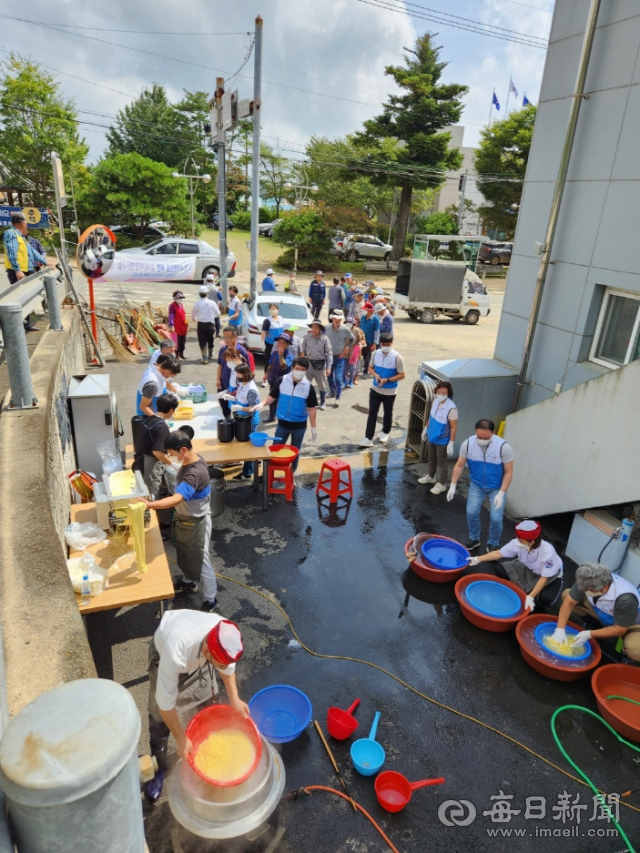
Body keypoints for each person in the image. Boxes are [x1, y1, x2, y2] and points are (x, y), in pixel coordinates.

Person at [144, 610, 247, 801]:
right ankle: (159, 767)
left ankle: (209, 754)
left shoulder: (224, 634)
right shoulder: (176, 650)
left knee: (210, 703)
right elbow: (165, 704)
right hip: (165, 654)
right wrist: (181, 740)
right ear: (208, 652)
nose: (223, 668)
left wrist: (234, 699)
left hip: (199, 657)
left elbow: (227, 668)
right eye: (220, 665)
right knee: (159, 720)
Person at [140, 431, 218, 610]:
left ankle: (211, 599)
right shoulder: (192, 459)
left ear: (183, 449)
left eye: (173, 453)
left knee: (200, 560)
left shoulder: (194, 474)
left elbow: (176, 498)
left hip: (197, 522)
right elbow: (178, 472)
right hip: (185, 518)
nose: (171, 457)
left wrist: (150, 505)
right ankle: (188, 581)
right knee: (184, 552)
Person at [465, 520, 564, 612]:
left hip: (548, 576)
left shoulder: (547, 552)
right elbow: (498, 554)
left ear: (532, 541)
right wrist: (477, 559)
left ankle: (534, 601)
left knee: (547, 598)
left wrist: (531, 596)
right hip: (527, 567)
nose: (518, 542)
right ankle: (518, 591)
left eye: (521, 541)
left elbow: (543, 578)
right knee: (500, 570)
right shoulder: (518, 543)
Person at [447, 419, 515, 553]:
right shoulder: (468, 444)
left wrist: (501, 493)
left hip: (497, 487)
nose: (482, 440)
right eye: (479, 437)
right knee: (471, 512)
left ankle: (494, 543)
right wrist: (453, 485)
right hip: (477, 485)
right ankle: (474, 538)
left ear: (493, 433)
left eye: (486, 437)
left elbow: (508, 472)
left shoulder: (503, 447)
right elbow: (460, 465)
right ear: (475, 432)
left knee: (496, 518)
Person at [553, 562, 640, 662]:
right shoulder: (588, 578)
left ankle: (628, 658)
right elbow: (569, 603)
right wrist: (560, 629)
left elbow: (620, 629)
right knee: (566, 594)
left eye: (589, 590)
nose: (585, 591)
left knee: (635, 649)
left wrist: (589, 634)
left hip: (630, 622)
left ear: (603, 589)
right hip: (605, 613)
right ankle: (595, 625)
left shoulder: (626, 599)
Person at [258, 357, 317, 471]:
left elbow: (312, 408)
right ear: (292, 368)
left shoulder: (308, 387)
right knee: (274, 451)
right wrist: (262, 403)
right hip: (282, 425)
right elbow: (272, 396)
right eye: (297, 368)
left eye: (303, 369)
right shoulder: (282, 380)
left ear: (306, 371)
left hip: (299, 426)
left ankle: (290, 476)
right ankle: (269, 475)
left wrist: (313, 428)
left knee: (295, 453)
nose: (299, 371)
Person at [359, 332, 406, 447]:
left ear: (391, 344)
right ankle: (368, 438)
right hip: (375, 389)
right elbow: (370, 368)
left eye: (388, 344)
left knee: (387, 413)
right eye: (383, 344)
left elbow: (402, 375)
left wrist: (388, 380)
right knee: (372, 413)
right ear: (380, 343)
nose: (385, 346)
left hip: (390, 391)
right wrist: (375, 375)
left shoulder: (397, 357)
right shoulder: (376, 354)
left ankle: (385, 432)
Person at [4, 211, 47, 332]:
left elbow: (32, 252)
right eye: (26, 223)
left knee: (28, 297)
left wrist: (44, 262)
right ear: (23, 224)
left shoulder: (20, 236)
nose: (26, 225)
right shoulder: (11, 233)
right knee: (21, 299)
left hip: (25, 271)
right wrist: (17, 270)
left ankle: (26, 324)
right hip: (18, 272)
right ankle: (19, 326)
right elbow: (12, 252)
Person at [133, 393, 180, 499]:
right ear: (171, 410)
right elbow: (157, 452)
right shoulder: (162, 427)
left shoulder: (150, 419)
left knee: (145, 490)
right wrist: (173, 464)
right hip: (150, 465)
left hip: (141, 460)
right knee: (151, 496)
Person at [418, 382, 458, 495]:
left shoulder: (451, 408)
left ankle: (442, 484)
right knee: (432, 458)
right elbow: (432, 417)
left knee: (442, 462)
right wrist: (426, 429)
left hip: (442, 439)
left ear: (448, 393)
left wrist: (451, 443)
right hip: (432, 435)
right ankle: (431, 476)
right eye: (439, 392)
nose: (440, 394)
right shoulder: (435, 401)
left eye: (443, 392)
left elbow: (454, 427)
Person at [229, 364, 262, 481]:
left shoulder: (251, 389)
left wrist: (240, 408)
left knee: (249, 448)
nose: (236, 376)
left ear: (244, 374)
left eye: (238, 373)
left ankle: (247, 473)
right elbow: (241, 398)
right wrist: (231, 398)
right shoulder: (243, 384)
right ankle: (254, 463)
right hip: (242, 419)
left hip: (249, 422)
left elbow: (254, 408)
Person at [217, 327, 250, 418]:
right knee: (225, 409)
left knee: (237, 412)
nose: (226, 340)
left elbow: (247, 370)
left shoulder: (242, 351)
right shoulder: (223, 350)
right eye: (224, 337)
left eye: (228, 337)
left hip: (236, 389)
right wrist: (218, 379)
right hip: (224, 384)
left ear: (235, 337)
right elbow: (220, 366)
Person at [301, 319, 332, 410]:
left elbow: (329, 353)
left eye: (316, 327)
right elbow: (302, 350)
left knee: (321, 385)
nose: (314, 329)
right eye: (313, 327)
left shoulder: (325, 339)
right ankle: (305, 402)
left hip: (320, 364)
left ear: (320, 329)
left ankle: (322, 402)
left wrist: (329, 368)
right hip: (308, 363)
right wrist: (302, 364)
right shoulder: (306, 337)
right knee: (305, 384)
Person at [325, 310, 354, 409]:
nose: (337, 321)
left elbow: (352, 338)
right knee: (329, 376)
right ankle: (332, 392)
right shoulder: (326, 328)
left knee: (338, 377)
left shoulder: (344, 329)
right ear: (332, 319)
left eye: (339, 319)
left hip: (339, 357)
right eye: (335, 319)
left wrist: (347, 347)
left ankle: (337, 398)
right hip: (328, 357)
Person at [265, 333, 294, 422]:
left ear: (288, 344)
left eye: (283, 343)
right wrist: (266, 374)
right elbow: (270, 364)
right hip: (273, 380)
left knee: (283, 401)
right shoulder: (274, 352)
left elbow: (284, 366)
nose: (280, 345)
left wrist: (281, 355)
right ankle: (271, 417)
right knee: (272, 398)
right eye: (279, 343)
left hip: (283, 382)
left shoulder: (289, 356)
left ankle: (283, 418)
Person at [191, 284, 220, 364]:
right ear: (207, 294)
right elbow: (218, 314)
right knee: (211, 340)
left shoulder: (197, 303)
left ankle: (204, 358)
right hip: (210, 324)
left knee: (202, 341)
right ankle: (210, 354)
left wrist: (194, 319)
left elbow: (193, 315)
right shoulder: (212, 303)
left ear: (199, 294)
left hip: (201, 325)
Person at [260, 303, 285, 387]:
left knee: (280, 360)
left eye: (274, 309)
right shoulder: (267, 320)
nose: (273, 310)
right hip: (270, 344)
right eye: (271, 309)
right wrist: (262, 343)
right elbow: (264, 332)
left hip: (280, 344)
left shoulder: (281, 318)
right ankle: (265, 379)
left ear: (278, 310)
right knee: (268, 361)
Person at [359, 302, 380, 377]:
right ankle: (364, 368)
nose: (364, 311)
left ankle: (365, 372)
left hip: (370, 341)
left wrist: (375, 343)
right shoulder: (362, 317)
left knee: (368, 358)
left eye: (365, 309)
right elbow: (360, 328)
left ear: (370, 311)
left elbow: (377, 332)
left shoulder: (375, 319)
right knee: (363, 357)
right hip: (362, 341)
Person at [168, 291, 188, 360]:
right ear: (175, 298)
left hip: (183, 326)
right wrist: (171, 325)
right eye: (179, 298)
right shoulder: (172, 306)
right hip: (176, 327)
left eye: (181, 298)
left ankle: (182, 354)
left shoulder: (181, 305)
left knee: (183, 341)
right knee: (177, 342)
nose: (180, 299)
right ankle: (177, 355)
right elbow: (171, 316)